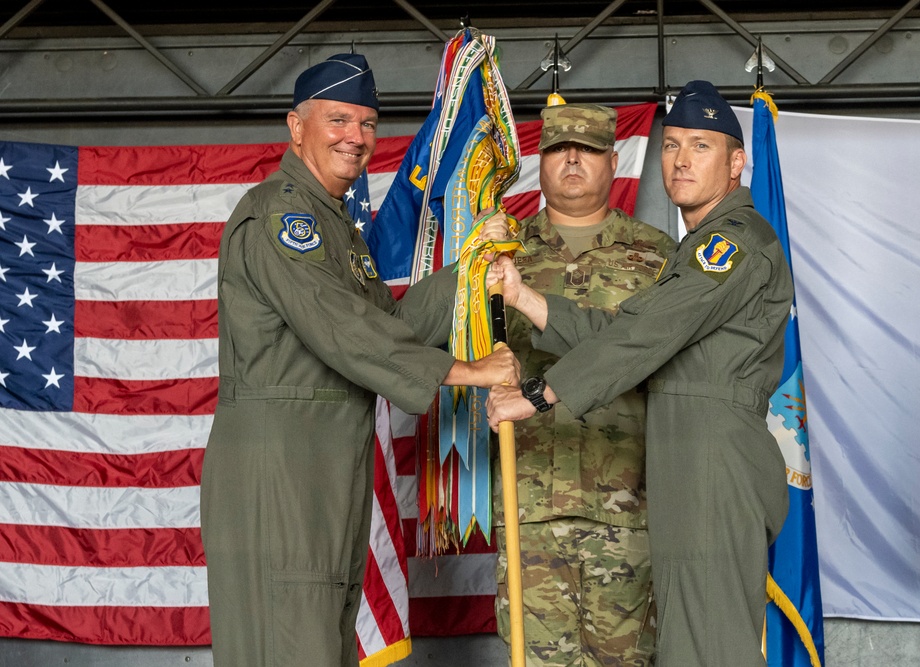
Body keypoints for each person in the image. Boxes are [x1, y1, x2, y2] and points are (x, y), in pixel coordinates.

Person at [200, 53, 518, 667]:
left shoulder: (337, 227)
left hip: (322, 463)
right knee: (292, 646)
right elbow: (342, 329)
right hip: (281, 468)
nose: (357, 137)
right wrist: (467, 374)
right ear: (296, 127)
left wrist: (468, 270)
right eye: (339, 119)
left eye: (369, 124)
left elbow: (385, 326)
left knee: (321, 645)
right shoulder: (280, 216)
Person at [487, 80, 793, 666]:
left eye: (700, 146)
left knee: (710, 650)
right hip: (683, 453)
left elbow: (643, 337)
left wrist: (540, 392)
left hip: (712, 455)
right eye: (672, 144)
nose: (680, 159)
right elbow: (629, 334)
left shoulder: (730, 243)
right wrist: (527, 298)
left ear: (737, 163)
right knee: (685, 648)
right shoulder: (693, 246)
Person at [492, 103, 674, 667]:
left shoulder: (659, 257)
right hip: (529, 505)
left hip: (626, 508)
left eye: (589, 149)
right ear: (538, 162)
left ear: (613, 161)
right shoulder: (499, 255)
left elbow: (656, 359)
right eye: (557, 149)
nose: (572, 159)